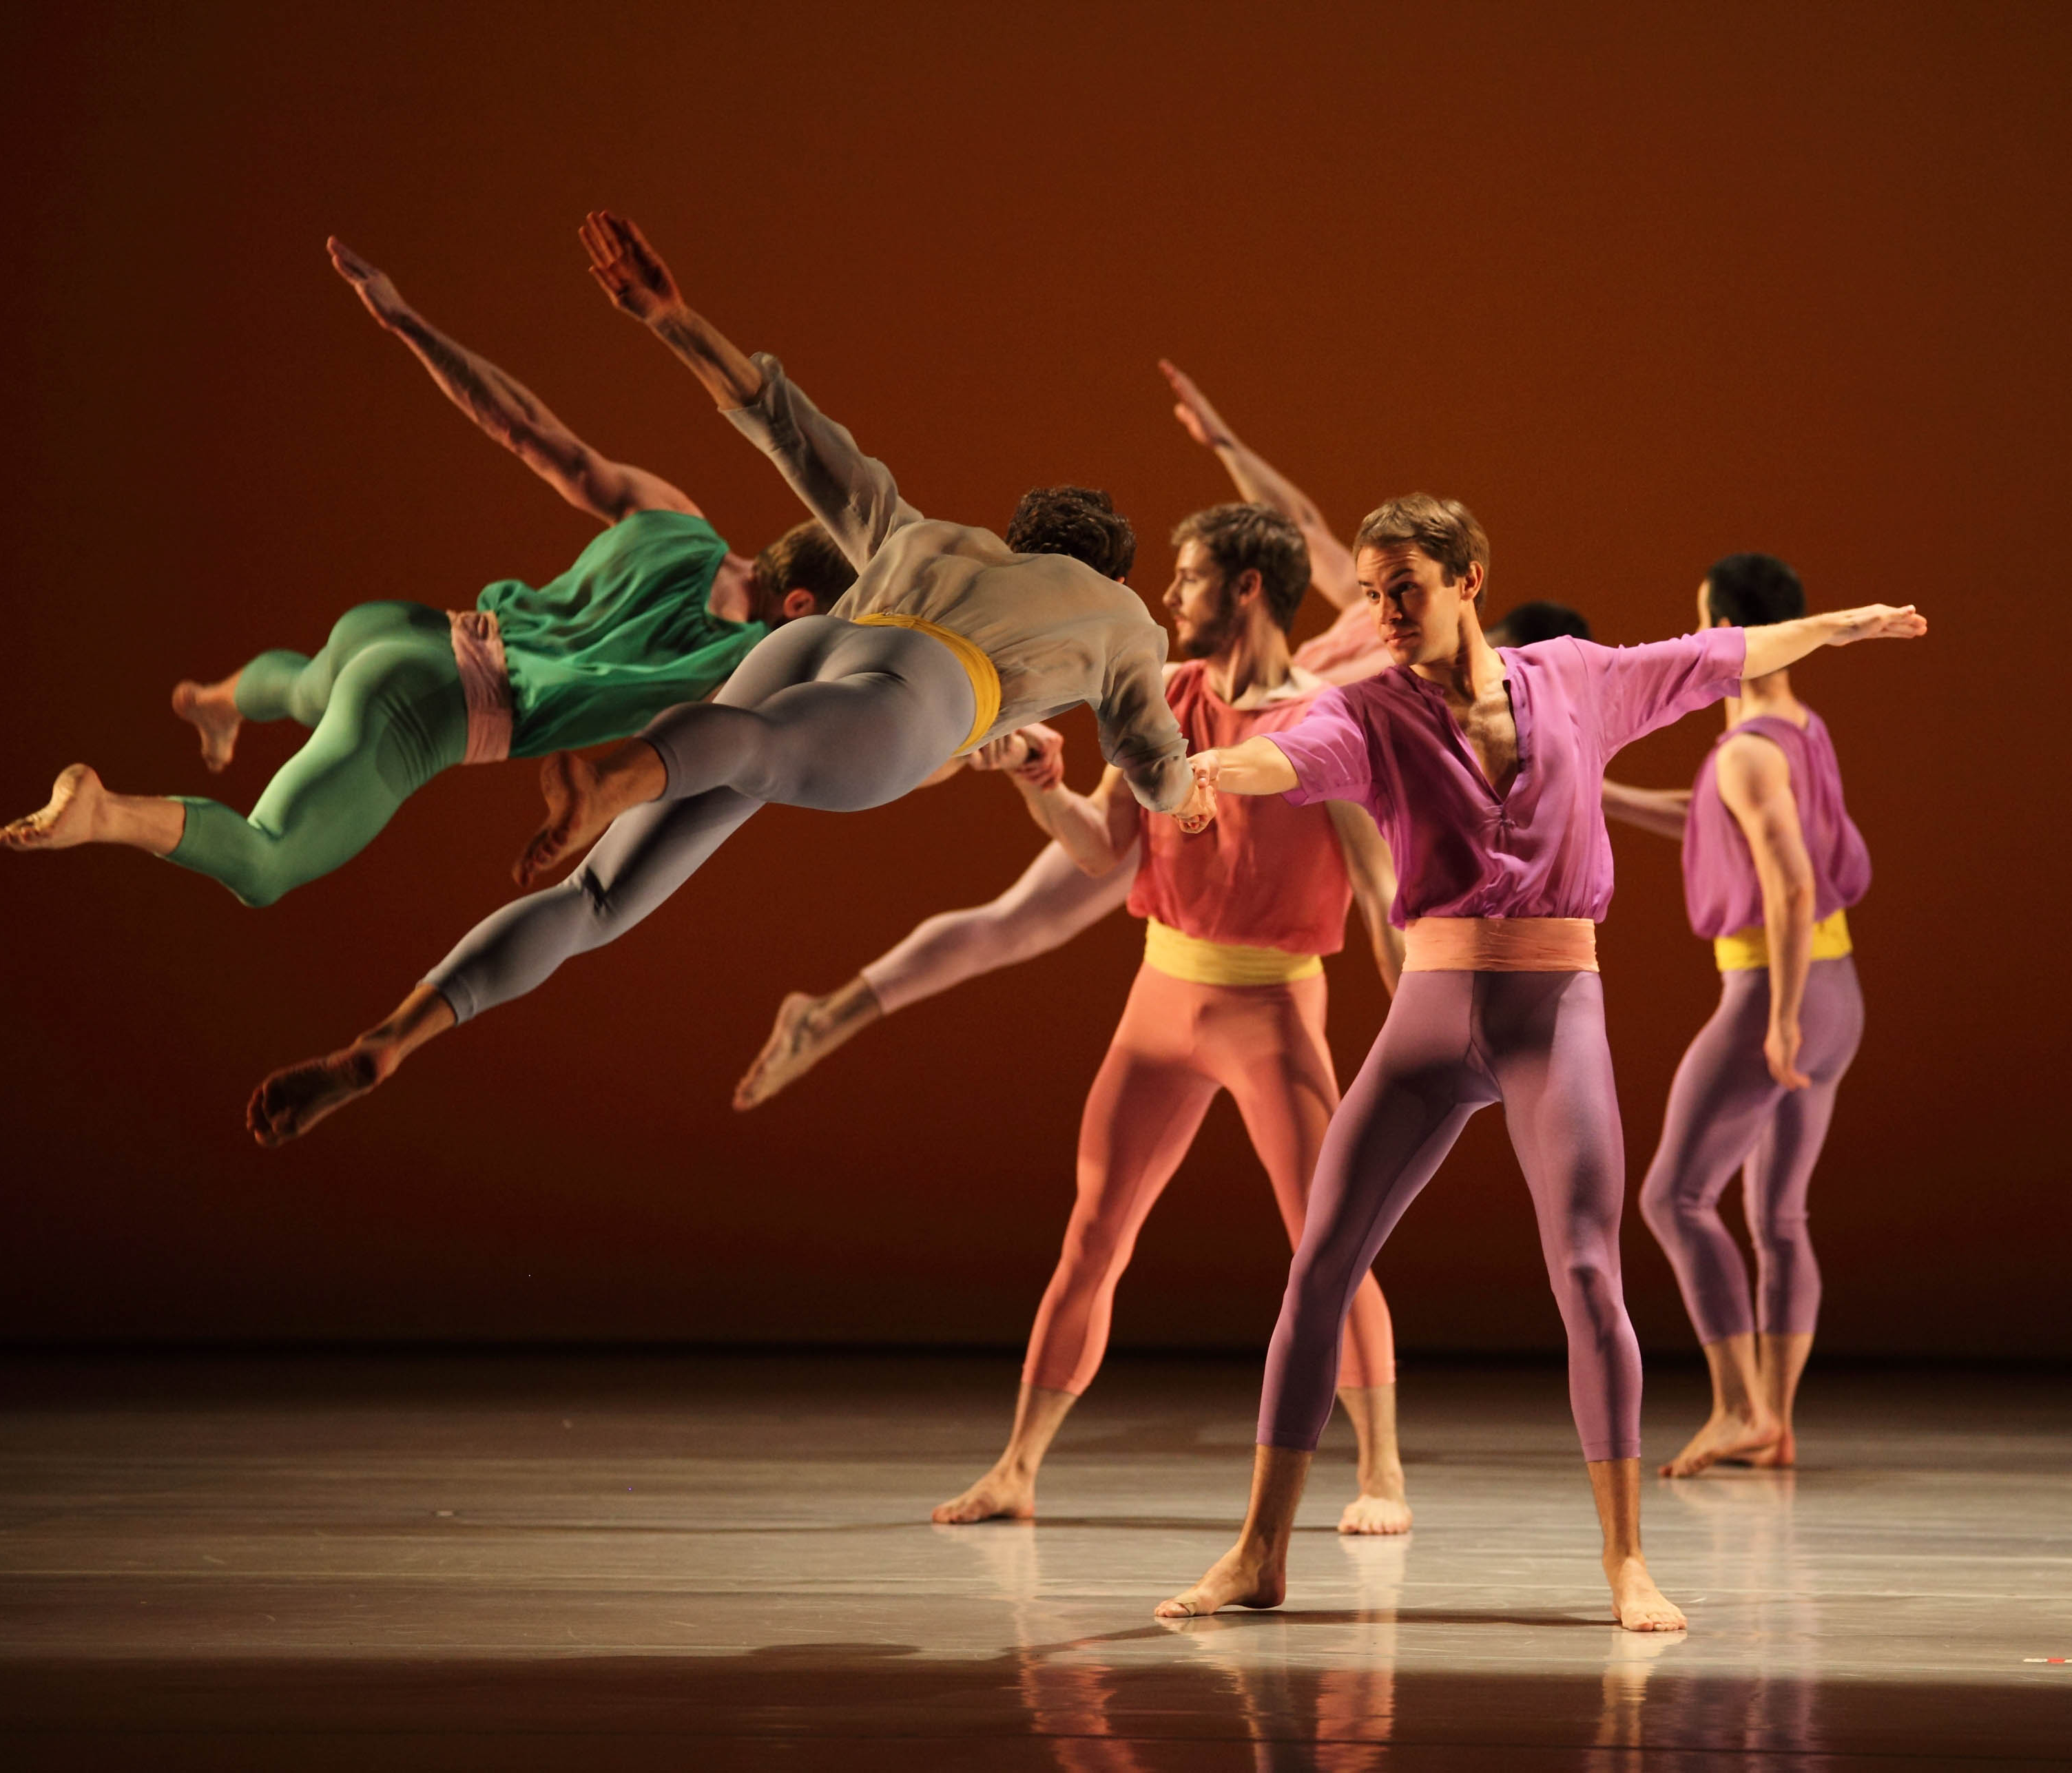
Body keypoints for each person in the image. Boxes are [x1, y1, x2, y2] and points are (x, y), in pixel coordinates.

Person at [241, 212, 1208, 1145]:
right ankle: (600, 790)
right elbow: (1145, 756)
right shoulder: (1122, 615)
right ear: (1109, 568)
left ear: (1022, 536)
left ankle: (388, 1039)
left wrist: (673, 319)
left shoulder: (928, 534)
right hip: (927, 690)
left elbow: (796, 435)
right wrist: (1190, 799)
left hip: (822, 639)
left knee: (612, 879)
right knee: (719, 795)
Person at [1153, 495, 1923, 1631]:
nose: (1383, 610)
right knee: (1319, 1263)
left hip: (1553, 1007)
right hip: (1432, 1004)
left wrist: (1843, 625)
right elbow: (1286, 751)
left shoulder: (1570, 677)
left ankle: (1625, 1561)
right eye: (1370, 591)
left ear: (1467, 579)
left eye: (1403, 585)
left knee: (1586, 1270)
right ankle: (1259, 1550)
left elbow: (1712, 653)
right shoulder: (1368, 708)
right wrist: (1221, 770)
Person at [734, 363, 1596, 1110]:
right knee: (1020, 916)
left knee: (1026, 913)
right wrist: (1224, 443)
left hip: (1260, 811)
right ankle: (835, 990)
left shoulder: (1453, 730)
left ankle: (899, 759)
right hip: (1215, 754)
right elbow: (1299, 524)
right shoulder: (1398, 622)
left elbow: (1387, 893)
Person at [0, 239, 854, 906]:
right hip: (431, 706)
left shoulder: (674, 517)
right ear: (803, 601)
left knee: (313, 690)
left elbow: (525, 428)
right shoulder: (735, 667)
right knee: (268, 862)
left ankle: (217, 701)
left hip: (406, 629)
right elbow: (829, 744)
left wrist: (408, 322)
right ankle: (102, 810)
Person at [928, 502, 1413, 1535]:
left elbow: (1379, 895)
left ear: (1244, 587)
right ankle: (1016, 1466)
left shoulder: (1328, 722)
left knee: (1328, 1244)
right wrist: (1038, 781)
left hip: (1274, 1008)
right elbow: (1104, 846)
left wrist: (1422, 1039)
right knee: (1092, 1235)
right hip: (1160, 998)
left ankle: (1382, 1475)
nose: (1166, 595)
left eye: (1187, 576)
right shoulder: (1167, 698)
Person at [1604, 554, 1869, 1477]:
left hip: (1775, 990)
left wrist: (1782, 1017)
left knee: (1671, 1195)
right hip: (1841, 990)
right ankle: (1775, 1422)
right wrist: (1599, 796)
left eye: (1702, 626)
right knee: (1779, 1215)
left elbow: (1791, 885)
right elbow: (1710, 817)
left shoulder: (1748, 748)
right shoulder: (1792, 730)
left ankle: (1734, 1405)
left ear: (1730, 631)